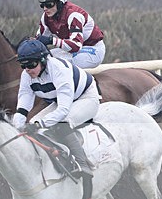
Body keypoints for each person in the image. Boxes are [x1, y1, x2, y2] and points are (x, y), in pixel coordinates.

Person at [13, 38, 100, 177]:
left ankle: (82, 163)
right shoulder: (26, 75)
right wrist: (17, 125)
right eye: (23, 66)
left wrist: (38, 124)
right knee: (31, 126)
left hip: (85, 98)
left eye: (31, 64)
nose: (27, 69)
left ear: (43, 60)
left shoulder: (58, 69)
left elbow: (63, 110)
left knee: (61, 123)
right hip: (59, 102)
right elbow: (24, 103)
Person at [34, 0, 106, 69]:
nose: (45, 9)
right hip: (74, 51)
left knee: (56, 64)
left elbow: (76, 46)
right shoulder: (46, 17)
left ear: (60, 2)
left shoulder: (74, 15)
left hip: (93, 50)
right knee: (43, 58)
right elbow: (39, 40)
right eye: (42, 5)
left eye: (49, 4)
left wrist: (51, 40)